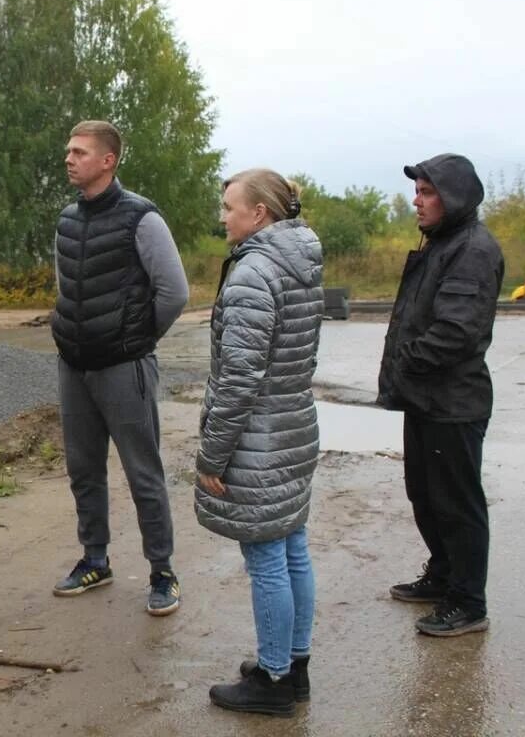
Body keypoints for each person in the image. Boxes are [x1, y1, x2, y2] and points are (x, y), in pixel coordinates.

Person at [196, 169, 323, 717]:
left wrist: (212, 454)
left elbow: (239, 377)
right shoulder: (301, 263)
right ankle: (293, 667)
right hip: (293, 425)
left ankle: (272, 682)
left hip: (260, 439)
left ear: (259, 214)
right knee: (292, 546)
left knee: (268, 557)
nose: (223, 216)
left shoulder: (254, 274)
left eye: (229, 206)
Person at [50, 120, 190, 616]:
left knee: (142, 473)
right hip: (75, 366)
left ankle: (163, 571)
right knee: (83, 469)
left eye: (79, 151)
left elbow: (175, 292)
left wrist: (136, 339)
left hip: (123, 367)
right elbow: (66, 286)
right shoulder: (68, 219)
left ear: (108, 160)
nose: (69, 158)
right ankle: (95, 559)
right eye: (68, 150)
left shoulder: (141, 218)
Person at [378, 153, 503, 637]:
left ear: (454, 198)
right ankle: (445, 575)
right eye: (418, 191)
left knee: (456, 503)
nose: (418, 201)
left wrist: (407, 360)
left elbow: (456, 332)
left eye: (428, 192)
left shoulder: (471, 249)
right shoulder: (442, 243)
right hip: (426, 400)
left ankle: (469, 602)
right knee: (425, 496)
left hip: (453, 403)